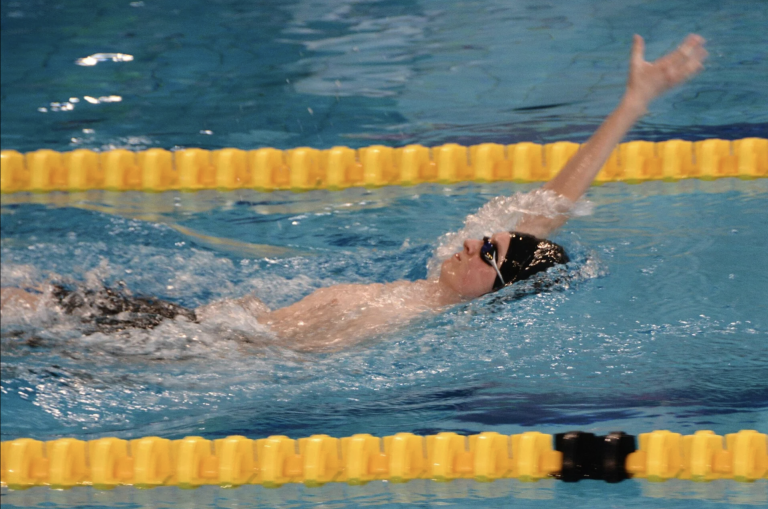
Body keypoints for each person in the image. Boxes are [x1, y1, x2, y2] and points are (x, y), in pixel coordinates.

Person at [1, 34, 708, 351]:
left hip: (190, 344)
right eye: (485, 237)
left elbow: (269, 355)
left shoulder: (400, 320)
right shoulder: (440, 287)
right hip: (197, 322)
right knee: (26, 301)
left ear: (489, 286)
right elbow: (554, 203)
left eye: (483, 251)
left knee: (26, 308)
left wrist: (222, 332)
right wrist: (633, 103)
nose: (471, 239)